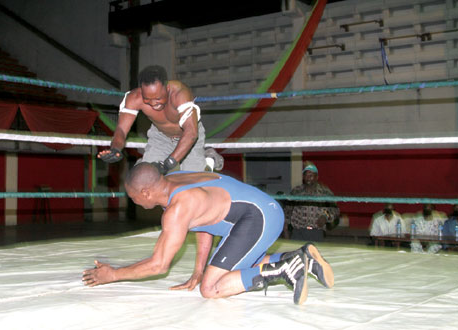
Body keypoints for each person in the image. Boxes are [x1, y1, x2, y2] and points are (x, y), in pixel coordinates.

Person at [82, 162, 334, 305]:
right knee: (228, 269)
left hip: (257, 217)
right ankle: (301, 257)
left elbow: (159, 264)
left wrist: (112, 274)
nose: (133, 201)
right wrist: (198, 270)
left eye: (134, 197)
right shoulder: (175, 179)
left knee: (210, 288)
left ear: (146, 193)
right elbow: (203, 225)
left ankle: (284, 269)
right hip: (261, 211)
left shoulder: (176, 209)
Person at [98, 65, 222, 174]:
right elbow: (121, 129)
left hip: (188, 136)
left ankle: (207, 162)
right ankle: (146, 163)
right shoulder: (134, 98)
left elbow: (191, 133)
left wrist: (167, 164)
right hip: (160, 136)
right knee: (147, 178)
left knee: (191, 183)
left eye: (158, 98)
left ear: (167, 88)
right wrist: (115, 148)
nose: (153, 103)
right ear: (141, 91)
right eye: (147, 99)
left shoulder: (179, 93)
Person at [283, 161, 340, 242]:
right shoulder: (296, 191)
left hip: (316, 232)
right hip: (298, 232)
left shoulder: (324, 192)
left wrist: (326, 216)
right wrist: (285, 229)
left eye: (311, 175)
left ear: (317, 177)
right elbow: (288, 210)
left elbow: (335, 210)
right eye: (306, 175)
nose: (308, 178)